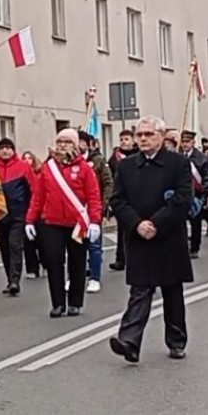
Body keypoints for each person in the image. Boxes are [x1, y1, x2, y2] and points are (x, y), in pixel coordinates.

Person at [108, 116, 192, 362]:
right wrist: (136, 223)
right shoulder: (126, 166)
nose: (143, 139)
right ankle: (129, 342)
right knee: (140, 290)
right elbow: (118, 201)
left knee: (172, 291)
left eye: (148, 134)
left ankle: (176, 341)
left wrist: (156, 223)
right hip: (139, 238)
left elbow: (183, 198)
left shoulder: (177, 164)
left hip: (168, 237)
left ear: (161, 135)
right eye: (139, 135)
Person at [25, 128, 102, 318]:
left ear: (76, 145)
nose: (63, 145)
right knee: (53, 260)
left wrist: (95, 221)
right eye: (60, 141)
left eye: (68, 142)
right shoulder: (48, 167)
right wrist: (30, 220)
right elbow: (38, 196)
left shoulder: (85, 168)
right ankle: (58, 303)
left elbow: (93, 197)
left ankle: (75, 302)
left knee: (77, 262)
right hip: (51, 222)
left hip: (77, 224)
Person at [0, 138, 37, 297]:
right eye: (2, 148)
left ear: (13, 150)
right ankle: (9, 278)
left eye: (8, 148)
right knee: (4, 248)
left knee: (15, 246)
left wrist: (32, 214)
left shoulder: (23, 167)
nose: (5, 151)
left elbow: (34, 190)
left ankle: (14, 280)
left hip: (18, 214)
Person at [78, 131, 112, 293]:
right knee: (75, 245)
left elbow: (107, 183)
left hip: (93, 208)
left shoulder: (97, 160)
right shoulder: (65, 161)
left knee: (94, 245)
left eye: (81, 141)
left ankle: (95, 278)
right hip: (74, 209)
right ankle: (74, 277)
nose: (78, 144)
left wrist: (104, 205)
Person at [179, 130, 208, 259]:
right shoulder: (177, 157)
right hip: (181, 194)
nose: (185, 144)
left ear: (193, 142)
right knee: (180, 222)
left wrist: (205, 194)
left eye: (187, 142)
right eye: (183, 142)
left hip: (197, 194)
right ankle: (182, 246)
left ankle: (195, 247)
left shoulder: (202, 158)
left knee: (196, 222)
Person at [108, 130, 138, 272]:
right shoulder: (114, 158)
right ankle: (120, 259)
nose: (124, 142)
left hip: (137, 197)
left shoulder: (138, 155)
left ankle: (136, 258)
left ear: (133, 141)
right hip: (122, 197)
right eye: (121, 139)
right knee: (122, 231)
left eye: (126, 139)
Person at [20, 151, 44, 279]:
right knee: (27, 242)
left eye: (29, 158)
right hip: (25, 211)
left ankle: (45, 264)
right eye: (25, 158)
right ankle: (32, 268)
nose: (27, 161)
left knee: (41, 240)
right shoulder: (21, 174)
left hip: (40, 212)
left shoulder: (40, 173)